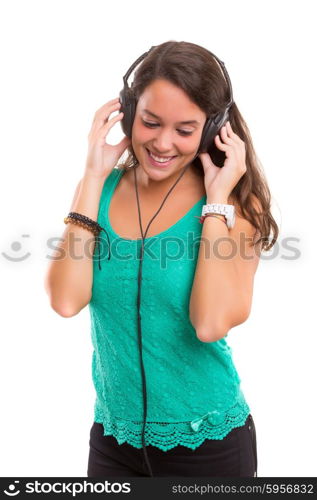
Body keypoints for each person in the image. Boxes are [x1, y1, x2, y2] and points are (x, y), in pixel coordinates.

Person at [44, 41, 279, 477]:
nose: (163, 143)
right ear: (130, 114)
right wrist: (94, 177)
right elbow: (65, 301)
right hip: (114, 441)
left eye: (185, 130)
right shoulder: (100, 190)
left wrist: (216, 203)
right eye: (150, 122)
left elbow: (210, 324)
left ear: (213, 130)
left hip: (209, 447)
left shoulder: (238, 210)